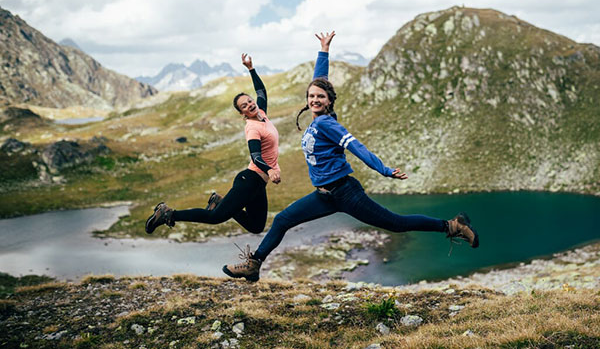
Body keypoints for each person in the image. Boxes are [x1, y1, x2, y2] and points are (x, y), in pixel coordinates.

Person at [222, 32, 479, 282]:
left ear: (329, 101)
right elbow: (319, 80)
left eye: (319, 97)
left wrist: (384, 169)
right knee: (283, 219)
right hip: (324, 195)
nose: (314, 99)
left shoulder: (327, 124)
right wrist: (324, 51)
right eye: (311, 96)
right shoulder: (316, 114)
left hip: (346, 193)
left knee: (396, 223)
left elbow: (356, 147)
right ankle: (254, 265)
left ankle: (452, 226)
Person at [145, 53, 281, 236]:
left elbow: (261, 92)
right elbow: (255, 157)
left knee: (256, 226)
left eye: (249, 101)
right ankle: (168, 213)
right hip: (249, 180)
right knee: (215, 217)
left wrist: (251, 69)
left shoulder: (263, 114)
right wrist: (270, 170)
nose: (249, 104)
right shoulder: (252, 128)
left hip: (259, 185)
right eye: (244, 106)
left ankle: (219, 200)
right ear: (242, 114)